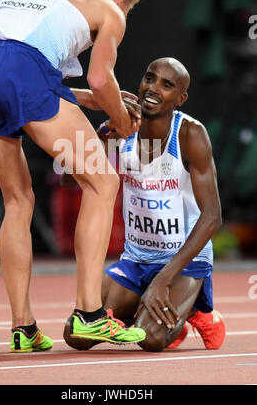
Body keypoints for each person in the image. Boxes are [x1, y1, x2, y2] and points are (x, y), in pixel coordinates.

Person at [0, 0, 146, 352]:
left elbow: (20, 67)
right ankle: (90, 316)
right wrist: (121, 119)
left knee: (17, 199)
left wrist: (93, 101)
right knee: (102, 182)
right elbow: (98, 77)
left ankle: (22, 328)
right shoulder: (110, 8)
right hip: (21, 71)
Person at [63, 57, 226, 352]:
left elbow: (213, 218)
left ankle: (196, 310)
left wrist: (163, 279)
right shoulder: (122, 128)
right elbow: (68, 181)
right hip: (137, 259)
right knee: (77, 335)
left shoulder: (190, 134)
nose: (153, 88)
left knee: (150, 340)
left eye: (166, 85)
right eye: (149, 78)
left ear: (181, 98)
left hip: (183, 262)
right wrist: (99, 137)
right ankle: (156, 312)